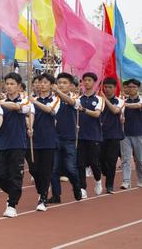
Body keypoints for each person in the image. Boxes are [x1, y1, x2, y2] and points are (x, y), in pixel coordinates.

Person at [0, 72, 31, 218]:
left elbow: (16, 107)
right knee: (1, 176)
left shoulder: (25, 101)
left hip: (18, 143)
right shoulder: (1, 102)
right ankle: (14, 193)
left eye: (12, 84)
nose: (9, 87)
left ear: (19, 86)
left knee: (15, 175)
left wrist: (0, 102)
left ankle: (12, 204)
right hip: (3, 143)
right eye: (7, 84)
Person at [26, 74, 60, 211]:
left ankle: (43, 198)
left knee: (46, 170)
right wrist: (29, 127)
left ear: (51, 85)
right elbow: (30, 114)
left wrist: (34, 101)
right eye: (40, 82)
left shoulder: (55, 99)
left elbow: (50, 110)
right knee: (34, 169)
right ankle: (42, 191)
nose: (42, 85)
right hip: (34, 139)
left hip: (48, 139)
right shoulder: (32, 100)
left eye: (45, 82)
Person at [49, 72, 82, 203]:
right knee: (54, 169)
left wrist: (58, 92)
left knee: (70, 168)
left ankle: (76, 186)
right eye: (59, 83)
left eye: (64, 83)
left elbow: (70, 102)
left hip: (69, 138)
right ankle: (56, 195)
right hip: (53, 138)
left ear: (70, 85)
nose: (61, 85)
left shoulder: (75, 98)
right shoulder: (52, 99)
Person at [77, 72, 104, 197]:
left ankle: (98, 181)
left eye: (89, 80)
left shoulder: (99, 99)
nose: (87, 82)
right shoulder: (78, 99)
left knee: (94, 162)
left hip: (94, 135)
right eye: (85, 80)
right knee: (80, 163)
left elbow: (97, 114)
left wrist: (83, 109)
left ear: (94, 82)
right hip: (80, 136)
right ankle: (82, 188)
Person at [100, 77, 124, 194]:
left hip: (114, 135)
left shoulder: (119, 100)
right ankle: (105, 172)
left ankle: (109, 184)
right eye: (105, 87)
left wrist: (105, 99)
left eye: (110, 87)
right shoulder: (99, 101)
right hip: (100, 135)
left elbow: (115, 111)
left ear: (115, 88)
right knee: (100, 160)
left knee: (111, 161)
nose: (107, 89)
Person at [121, 79, 142, 189]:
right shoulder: (123, 100)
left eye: (133, 87)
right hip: (125, 134)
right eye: (129, 87)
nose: (131, 89)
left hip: (139, 133)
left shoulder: (141, 100)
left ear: (138, 88)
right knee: (126, 159)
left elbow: (137, 106)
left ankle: (141, 179)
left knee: (140, 160)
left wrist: (123, 105)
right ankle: (126, 181)